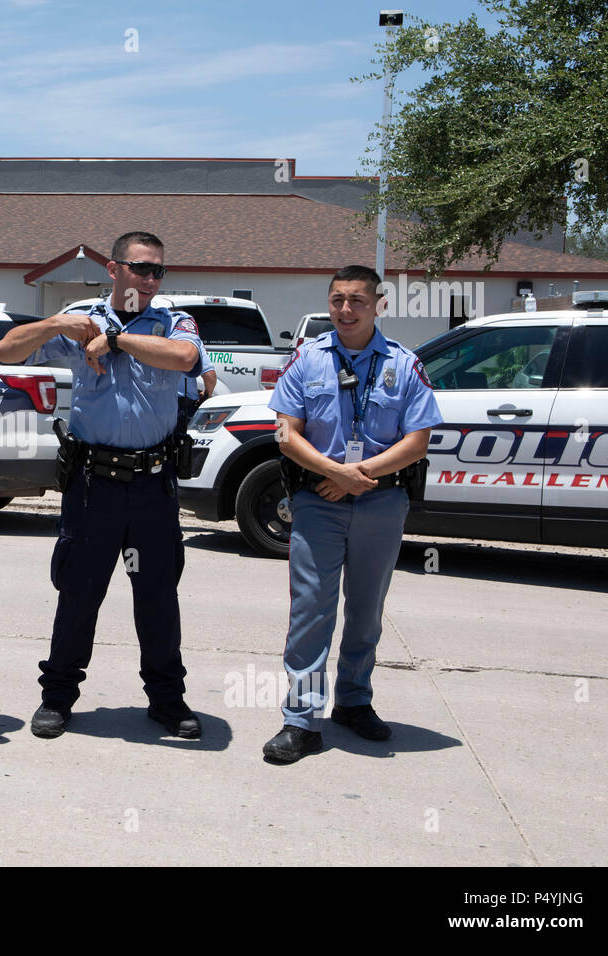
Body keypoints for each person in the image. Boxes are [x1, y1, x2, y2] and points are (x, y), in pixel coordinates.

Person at [0, 231, 206, 740]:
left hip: (153, 486)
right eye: (141, 268)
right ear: (113, 269)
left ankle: (167, 700)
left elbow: (186, 360)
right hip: (94, 485)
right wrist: (52, 324)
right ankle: (57, 698)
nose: (151, 280)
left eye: (159, 271)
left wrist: (115, 340)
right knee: (79, 594)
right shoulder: (78, 316)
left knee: (157, 596)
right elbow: (5, 351)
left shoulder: (173, 320)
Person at [261, 265, 442, 763]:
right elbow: (285, 433)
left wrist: (357, 474)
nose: (346, 309)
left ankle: (354, 702)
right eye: (338, 299)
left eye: (357, 300)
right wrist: (334, 474)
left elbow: (418, 440)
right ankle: (301, 720)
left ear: (378, 304)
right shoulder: (307, 360)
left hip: (382, 502)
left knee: (366, 611)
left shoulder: (404, 365)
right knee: (310, 612)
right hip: (319, 501)